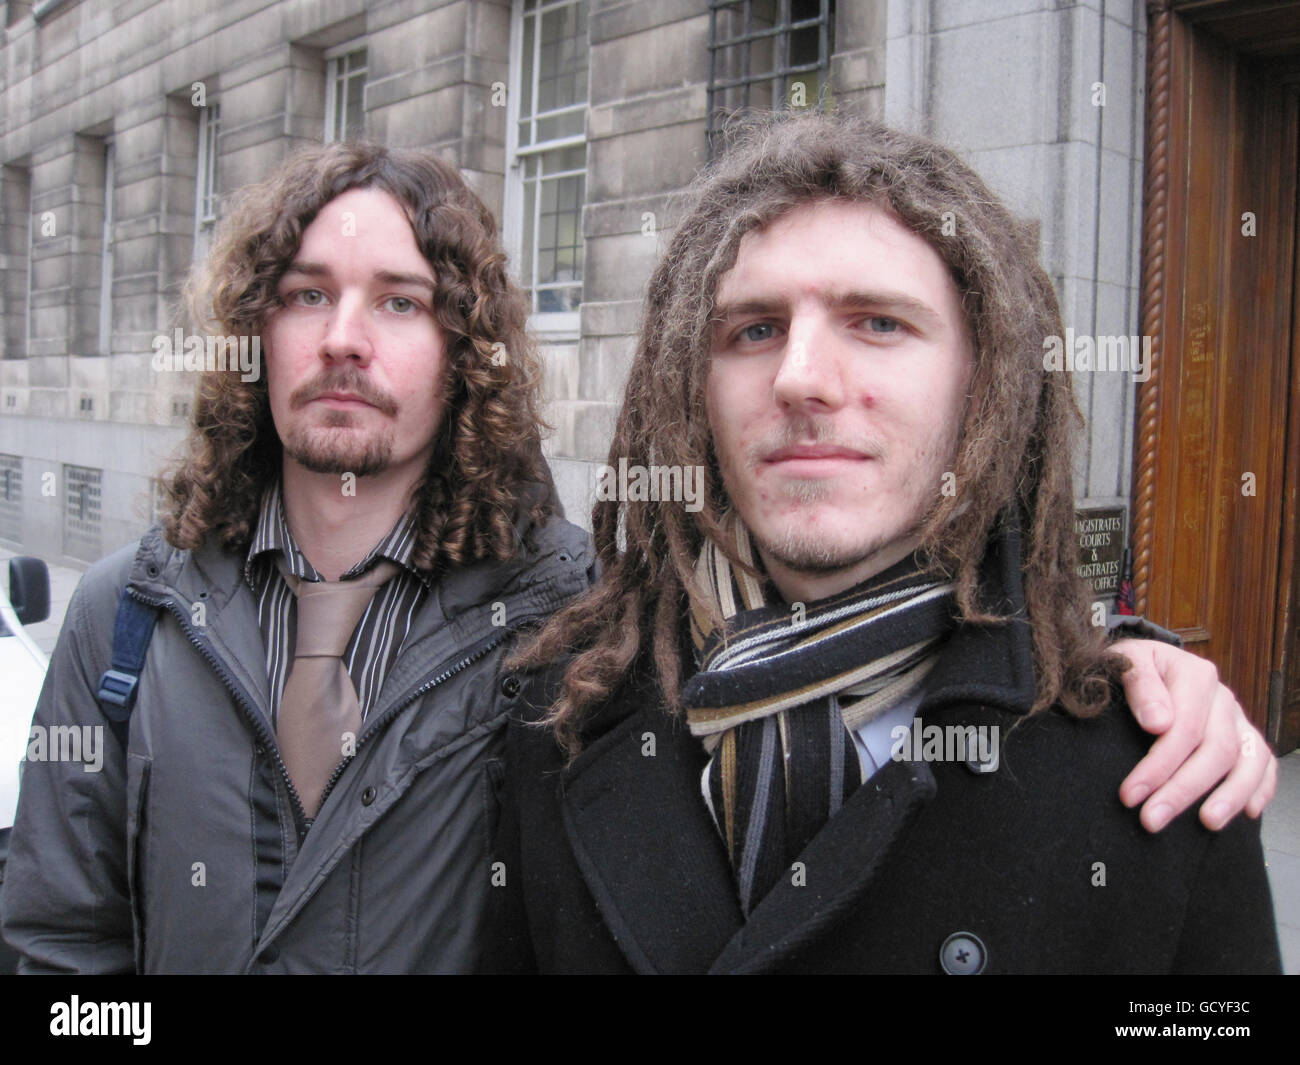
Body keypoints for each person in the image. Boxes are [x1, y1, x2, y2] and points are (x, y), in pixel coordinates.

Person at [487, 112, 1282, 974]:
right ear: (691, 389)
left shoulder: (1164, 771)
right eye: (754, 329)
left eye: (877, 323)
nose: (800, 377)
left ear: (987, 381)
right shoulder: (559, 715)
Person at [0, 143, 591, 973]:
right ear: (257, 330)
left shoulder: (571, 620)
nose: (343, 339)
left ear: (463, 350)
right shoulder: (123, 617)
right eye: (308, 294)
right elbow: (59, 951)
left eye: (399, 302)